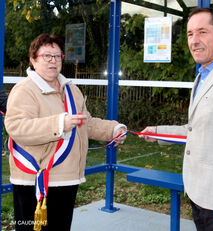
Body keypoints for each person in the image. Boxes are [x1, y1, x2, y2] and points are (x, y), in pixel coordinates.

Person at [139, 8, 213, 231]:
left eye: (202, 32)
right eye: (190, 34)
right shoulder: (203, 76)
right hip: (198, 195)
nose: (194, 41)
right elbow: (195, 129)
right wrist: (157, 131)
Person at [5, 33, 126, 231]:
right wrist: (59, 124)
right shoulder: (24, 90)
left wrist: (113, 129)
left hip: (67, 178)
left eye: (57, 56)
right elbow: (17, 127)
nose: (53, 61)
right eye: (47, 56)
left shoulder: (71, 89)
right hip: (35, 182)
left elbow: (85, 122)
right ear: (33, 60)